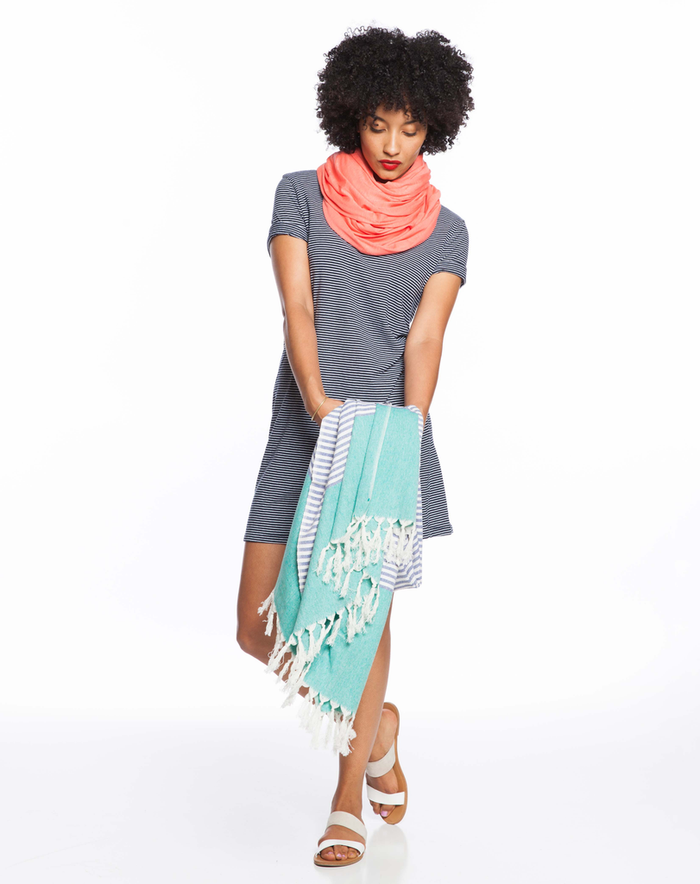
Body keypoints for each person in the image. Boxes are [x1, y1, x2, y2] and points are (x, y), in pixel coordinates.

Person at [236, 25, 474, 866]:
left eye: (411, 128)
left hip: (380, 442)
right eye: (378, 125)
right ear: (351, 117)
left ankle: (346, 804)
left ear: (435, 126)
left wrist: (403, 433)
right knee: (257, 628)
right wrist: (315, 400)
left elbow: (425, 338)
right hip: (305, 428)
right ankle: (379, 732)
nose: (393, 146)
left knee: (360, 623)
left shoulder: (448, 233)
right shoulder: (300, 195)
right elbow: (298, 307)